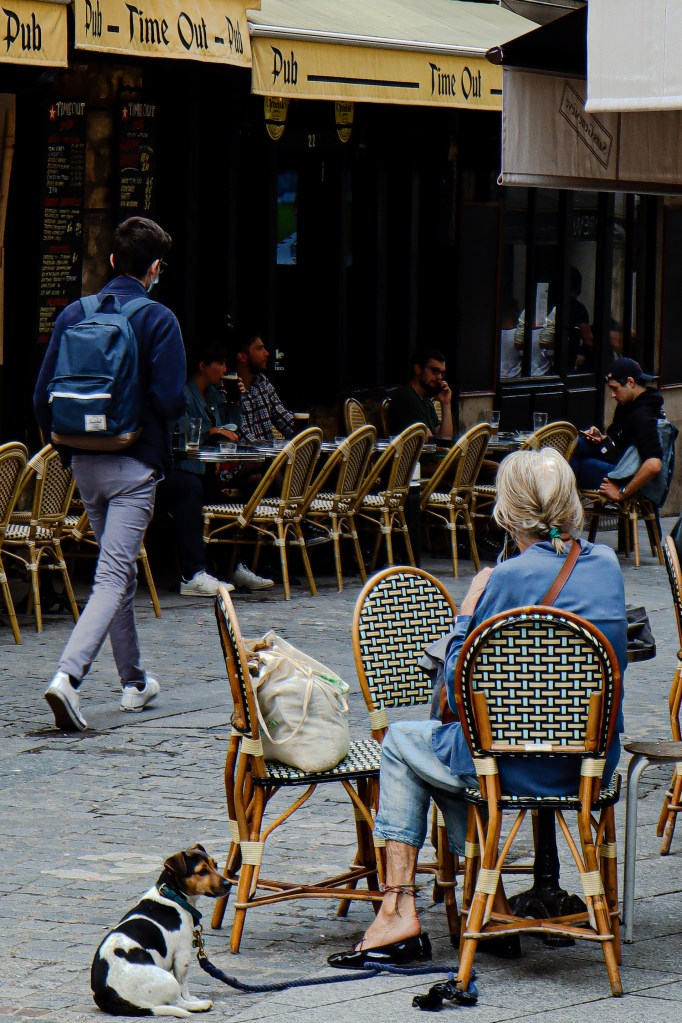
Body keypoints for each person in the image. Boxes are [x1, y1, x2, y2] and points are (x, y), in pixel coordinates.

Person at [328, 449, 627, 969]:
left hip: (510, 765)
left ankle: (400, 907)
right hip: (588, 766)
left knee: (406, 743)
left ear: (508, 514)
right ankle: (490, 904)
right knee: (459, 757)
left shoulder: (504, 579)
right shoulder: (606, 566)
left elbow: (457, 683)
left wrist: (467, 609)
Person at [34, 216, 187, 731]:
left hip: (82, 462)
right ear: (155, 269)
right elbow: (169, 399)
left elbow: (41, 396)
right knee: (114, 575)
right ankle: (68, 679)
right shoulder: (159, 319)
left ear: (114, 261)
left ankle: (134, 681)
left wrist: (68, 450)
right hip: (133, 463)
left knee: (114, 573)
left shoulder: (74, 313)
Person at [157, 342, 274, 596]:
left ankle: (233, 566)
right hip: (175, 468)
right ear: (203, 366)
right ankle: (194, 574)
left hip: (204, 468)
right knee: (193, 487)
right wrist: (211, 431)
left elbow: (231, 430)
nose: (224, 370)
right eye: (219, 364)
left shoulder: (214, 395)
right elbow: (179, 434)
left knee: (243, 483)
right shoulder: (183, 394)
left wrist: (234, 401)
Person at [571, 357, 664, 503]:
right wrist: (602, 438)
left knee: (577, 466)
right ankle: (564, 504)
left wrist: (622, 493)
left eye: (615, 388)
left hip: (623, 474)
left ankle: (563, 508)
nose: (612, 395)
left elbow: (654, 464)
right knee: (574, 443)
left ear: (631, 382)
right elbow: (623, 440)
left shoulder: (643, 415)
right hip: (614, 456)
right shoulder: (629, 403)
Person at [235, 332, 294, 444]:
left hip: (271, 458)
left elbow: (284, 418)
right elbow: (241, 436)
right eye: (259, 349)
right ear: (242, 357)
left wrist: (306, 435)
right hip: (246, 459)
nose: (266, 353)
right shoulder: (227, 389)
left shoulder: (262, 382)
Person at [386, 348, 454, 439]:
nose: (439, 377)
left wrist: (446, 403)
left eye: (442, 373)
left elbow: (445, 439)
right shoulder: (405, 397)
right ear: (418, 369)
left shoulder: (426, 399)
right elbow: (428, 439)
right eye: (435, 371)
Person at [499, 297, 521, 379]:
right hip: (513, 379)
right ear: (515, 313)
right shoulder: (518, 335)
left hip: (497, 378)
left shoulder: (492, 335)